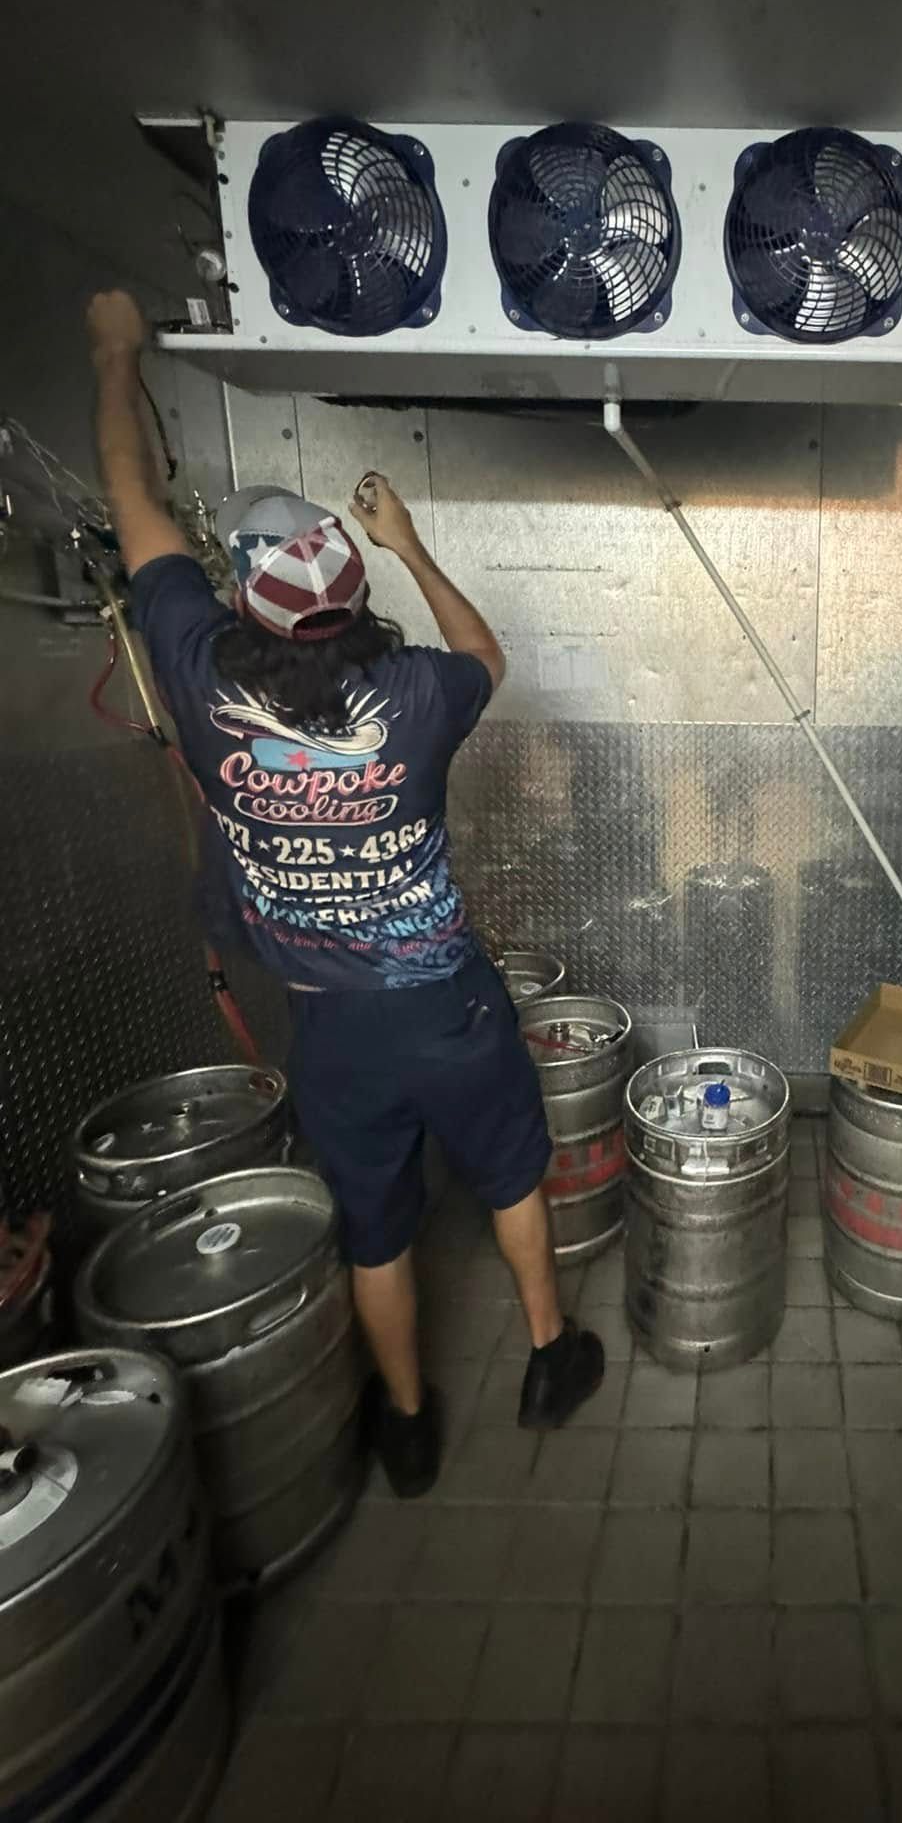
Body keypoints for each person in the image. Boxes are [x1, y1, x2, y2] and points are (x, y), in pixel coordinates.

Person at [86, 288, 603, 1497]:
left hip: (330, 1022)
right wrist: (413, 541)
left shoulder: (199, 672)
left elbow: (132, 497)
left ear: (241, 599)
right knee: (511, 1172)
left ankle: (410, 1422)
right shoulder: (419, 692)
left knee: (376, 1225)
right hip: (449, 1004)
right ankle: (548, 1354)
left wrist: (117, 351)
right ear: (354, 595)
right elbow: (489, 655)